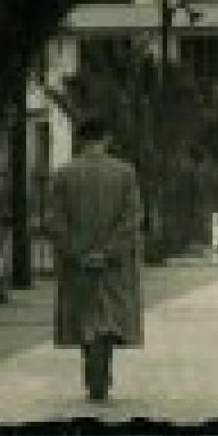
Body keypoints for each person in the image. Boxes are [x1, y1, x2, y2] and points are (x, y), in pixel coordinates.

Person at [43, 117, 144, 404]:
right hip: (114, 265)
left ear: (80, 140)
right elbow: (132, 217)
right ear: (106, 138)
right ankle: (102, 372)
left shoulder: (63, 174)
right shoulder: (125, 173)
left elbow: (54, 220)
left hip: (77, 264)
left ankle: (94, 372)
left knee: (85, 318)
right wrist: (109, 252)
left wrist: (77, 252)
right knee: (109, 320)